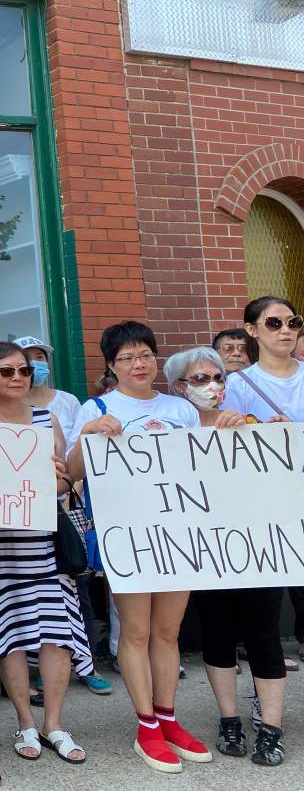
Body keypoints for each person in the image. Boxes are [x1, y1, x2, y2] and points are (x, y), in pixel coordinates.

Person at [66, 320, 242, 775]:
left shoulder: (179, 407)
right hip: (128, 536)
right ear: (111, 365)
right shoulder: (97, 405)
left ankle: (168, 717)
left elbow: (206, 462)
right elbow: (71, 472)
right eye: (126, 357)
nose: (138, 363)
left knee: (168, 634)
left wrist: (230, 430)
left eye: (144, 354)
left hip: (178, 535)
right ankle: (146, 725)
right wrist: (90, 433)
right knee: (136, 632)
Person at [165, 345, 288, 765]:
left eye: (218, 378)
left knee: (264, 637)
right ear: (180, 387)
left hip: (259, 551)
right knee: (216, 636)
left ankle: (271, 728)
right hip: (206, 553)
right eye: (199, 379)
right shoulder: (171, 438)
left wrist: (274, 433)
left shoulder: (248, 424)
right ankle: (229, 719)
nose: (212, 387)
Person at [0, 341, 90, 766]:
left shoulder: (47, 418)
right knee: (8, 636)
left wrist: (58, 478)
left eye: (23, 371)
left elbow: (65, 483)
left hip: (43, 540)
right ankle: (25, 720)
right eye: (6, 371)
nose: (17, 378)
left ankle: (55, 723)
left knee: (55, 634)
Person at [223, 297, 304, 694]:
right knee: (264, 616)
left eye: (294, 322)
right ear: (252, 330)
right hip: (265, 514)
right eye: (274, 323)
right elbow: (228, 455)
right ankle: (264, 701)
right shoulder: (237, 385)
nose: (286, 330)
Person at [14, 336, 80, 434]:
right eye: (26, 358)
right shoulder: (9, 406)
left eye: (39, 357)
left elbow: (83, 440)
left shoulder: (69, 401)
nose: (34, 363)